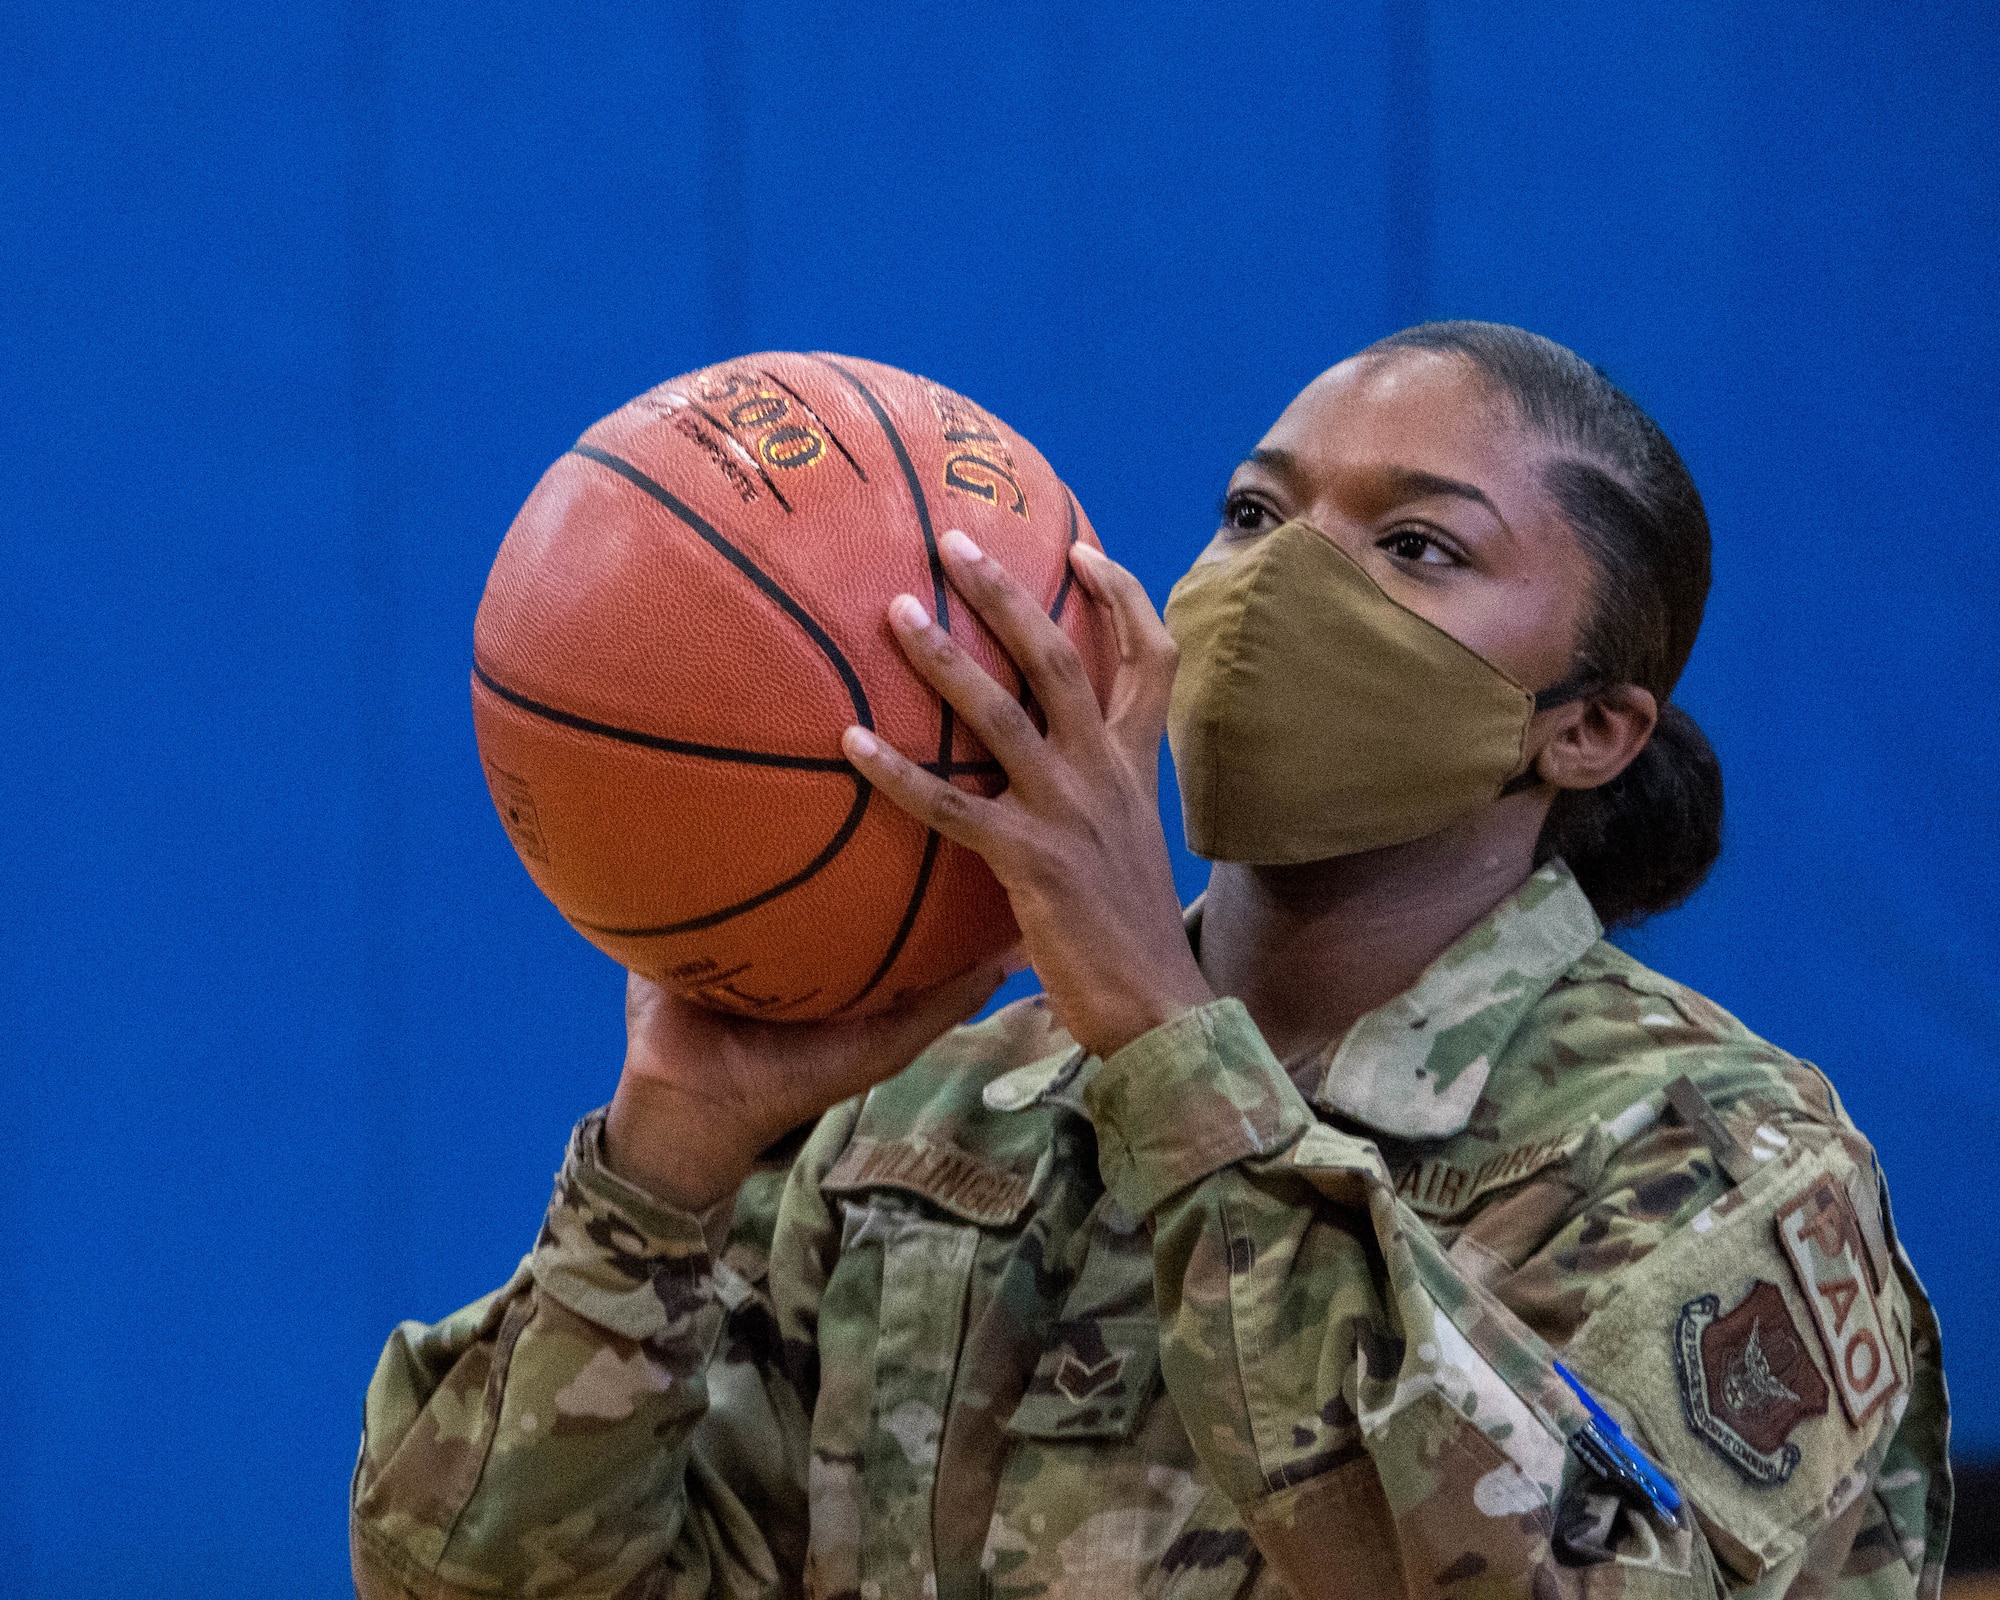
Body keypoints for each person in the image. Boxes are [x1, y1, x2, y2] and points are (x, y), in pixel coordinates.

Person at [350, 324, 1949, 1600]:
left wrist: (1175, 1061)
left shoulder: (1708, 1156)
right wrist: (665, 1170)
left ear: (1588, 730)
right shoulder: (935, 1118)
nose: (1274, 583)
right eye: (1254, 514)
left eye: (1414, 548)